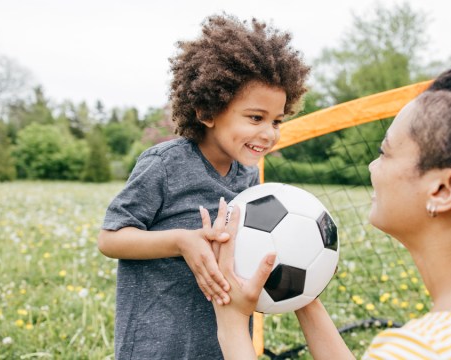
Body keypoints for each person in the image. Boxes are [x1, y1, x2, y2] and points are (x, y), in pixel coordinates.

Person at [210, 15, 451, 360]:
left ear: (445, 189)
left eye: (384, 152)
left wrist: (230, 321)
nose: (373, 167)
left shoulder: (426, 348)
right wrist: (303, 295)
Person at [97, 14, 310, 359]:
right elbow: (110, 238)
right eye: (256, 118)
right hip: (158, 341)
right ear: (207, 111)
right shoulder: (165, 164)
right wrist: (181, 241)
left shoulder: (247, 176)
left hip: (221, 342)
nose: (269, 133)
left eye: (276, 121)